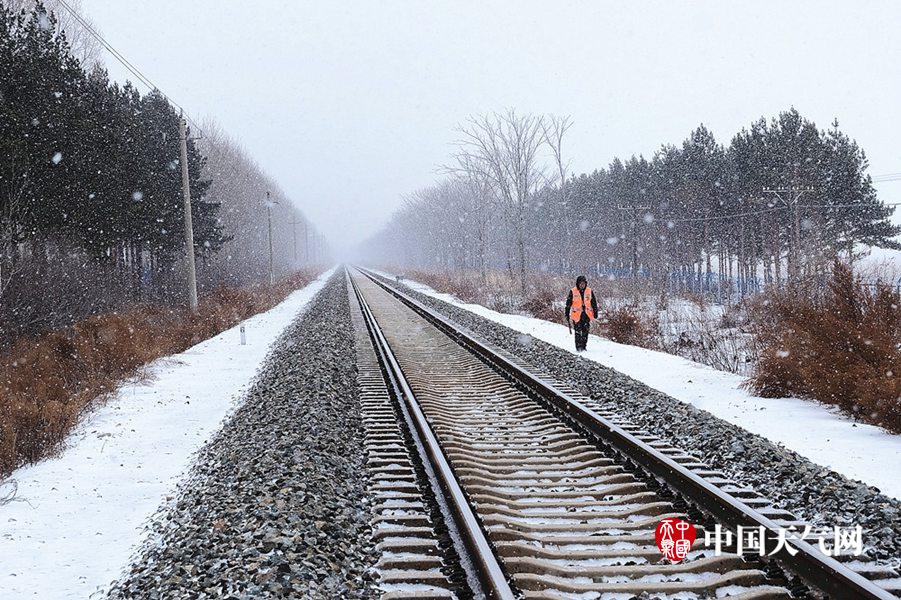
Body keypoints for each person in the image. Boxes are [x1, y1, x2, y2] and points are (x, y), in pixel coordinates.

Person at [564, 275, 598, 352]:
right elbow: (568, 304)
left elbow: (594, 302)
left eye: (583, 283)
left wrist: (595, 312)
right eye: (580, 283)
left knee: (585, 332)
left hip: (587, 315)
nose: (582, 285)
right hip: (576, 315)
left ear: (586, 283)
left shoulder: (589, 291)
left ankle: (584, 346)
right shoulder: (572, 291)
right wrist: (567, 313)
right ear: (578, 284)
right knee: (578, 332)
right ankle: (578, 347)